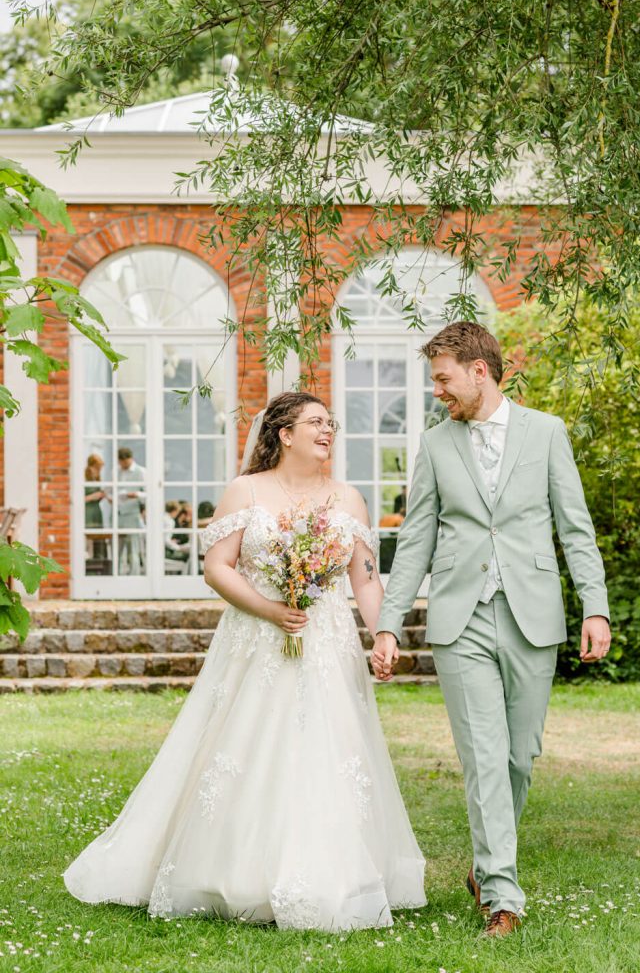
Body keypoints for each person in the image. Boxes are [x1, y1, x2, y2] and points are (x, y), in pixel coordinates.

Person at [64, 392, 426, 930]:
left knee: (333, 751)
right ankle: (235, 874)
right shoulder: (246, 490)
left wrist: (384, 634)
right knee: (246, 746)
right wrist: (271, 608)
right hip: (257, 639)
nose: (328, 431)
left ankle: (337, 874)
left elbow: (365, 578)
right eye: (315, 423)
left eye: (331, 424)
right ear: (283, 433)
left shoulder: (348, 498)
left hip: (325, 642)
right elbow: (218, 567)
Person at [372, 321, 611, 939]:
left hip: (532, 611)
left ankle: (487, 865)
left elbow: (575, 528)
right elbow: (416, 536)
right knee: (482, 755)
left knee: (518, 755)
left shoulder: (547, 433)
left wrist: (596, 606)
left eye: (444, 379)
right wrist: (389, 624)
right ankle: (502, 893)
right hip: (460, 616)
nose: (437, 392)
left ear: (480, 370)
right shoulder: (435, 444)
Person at [117, 447, 146, 575]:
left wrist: (136, 494)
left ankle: (134, 576)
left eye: (126, 463)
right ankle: (116, 575)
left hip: (133, 514)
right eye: (122, 463)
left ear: (131, 459)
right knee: (117, 549)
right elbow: (109, 490)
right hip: (118, 515)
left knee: (133, 549)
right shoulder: (116, 472)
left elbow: (149, 493)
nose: (124, 465)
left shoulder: (141, 472)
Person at [84, 453, 110, 569]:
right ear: (90, 466)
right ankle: (89, 565)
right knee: (89, 539)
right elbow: (78, 499)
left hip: (96, 511)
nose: (98, 471)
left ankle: (99, 565)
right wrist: (92, 497)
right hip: (88, 512)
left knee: (98, 538)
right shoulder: (83, 478)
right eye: (96, 468)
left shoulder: (96, 478)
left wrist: (102, 496)